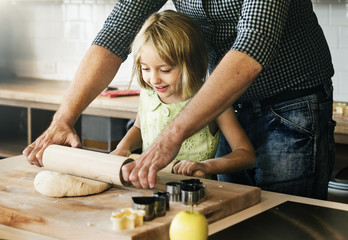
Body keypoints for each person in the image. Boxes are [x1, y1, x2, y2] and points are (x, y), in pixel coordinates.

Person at [23, 1, 335, 200]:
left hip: (293, 105)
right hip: (227, 102)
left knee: (280, 224)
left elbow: (254, 41)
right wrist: (64, 118)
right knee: (231, 216)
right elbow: (116, 32)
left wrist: (172, 133)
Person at [109, 10, 256, 179]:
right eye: (145, 68)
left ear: (192, 64)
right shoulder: (148, 94)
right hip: (151, 187)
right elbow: (138, 128)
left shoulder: (214, 100)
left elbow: (246, 154)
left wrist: (206, 166)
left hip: (197, 194)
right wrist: (124, 146)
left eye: (165, 70)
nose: (154, 79)